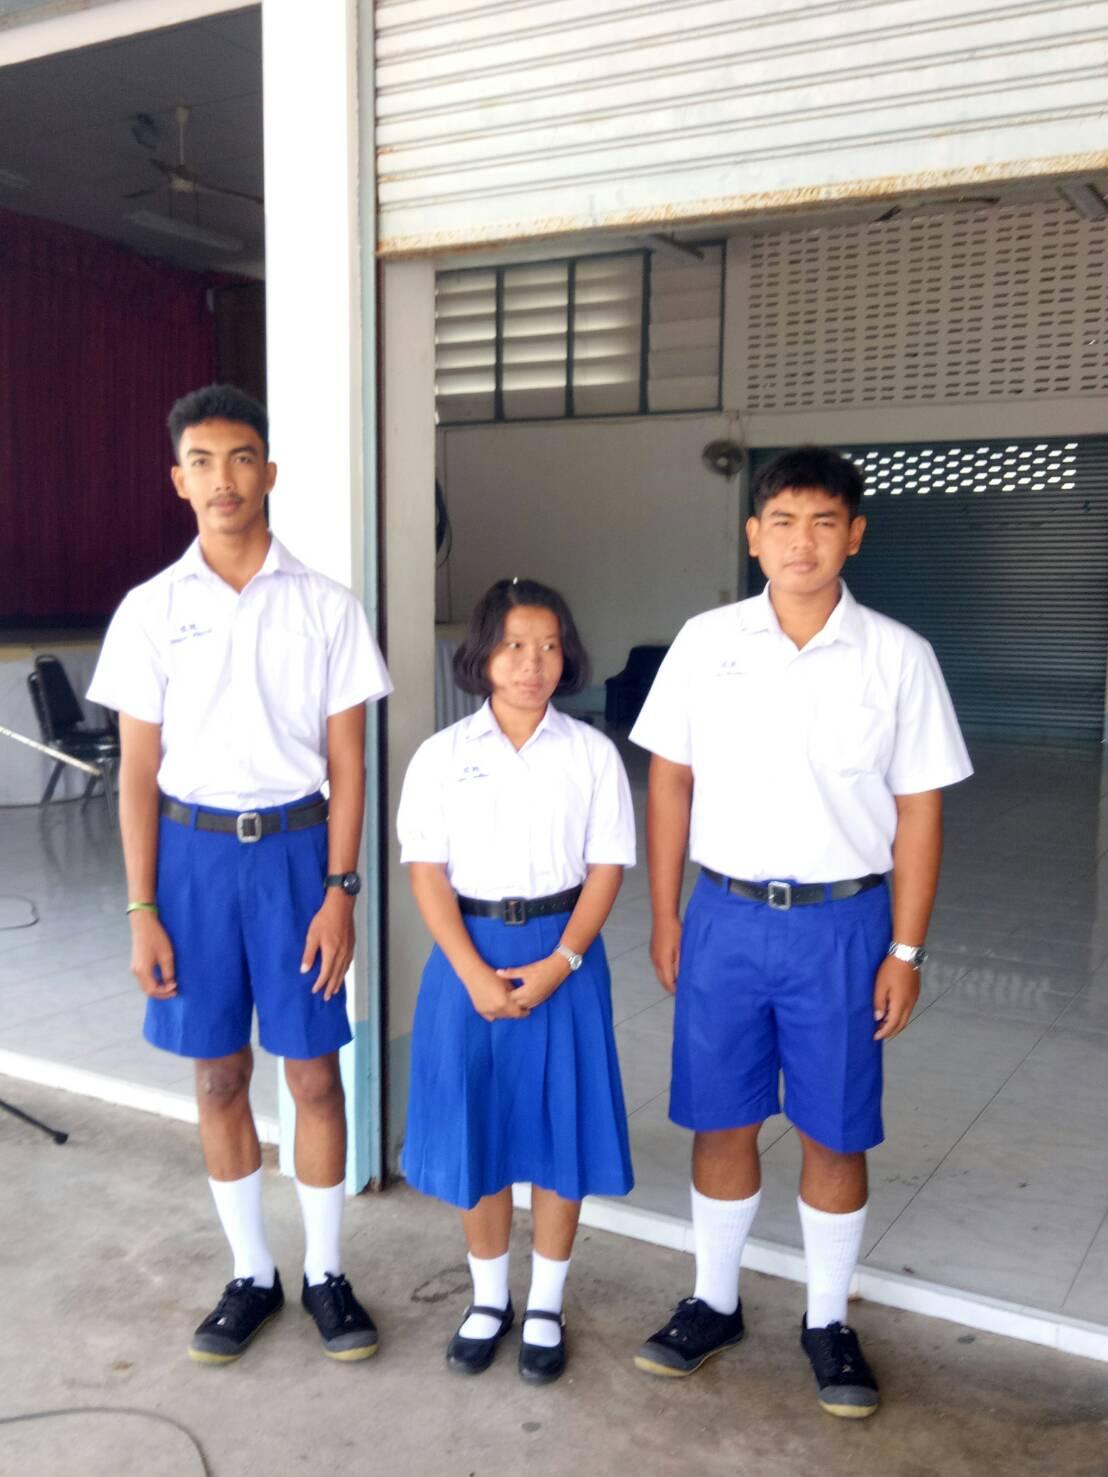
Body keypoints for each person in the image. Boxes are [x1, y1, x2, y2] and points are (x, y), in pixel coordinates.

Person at [628, 446, 972, 1417]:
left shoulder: (898, 656)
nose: (801, 542)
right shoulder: (706, 642)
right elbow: (670, 779)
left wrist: (905, 949)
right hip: (725, 915)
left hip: (843, 925)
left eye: (823, 522)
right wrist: (665, 912)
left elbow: (920, 809)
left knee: (833, 1125)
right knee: (720, 1115)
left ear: (853, 535)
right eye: (782, 521)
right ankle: (714, 1300)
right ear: (753, 535)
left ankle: (827, 1319)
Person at [87, 384, 392, 1365]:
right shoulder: (150, 610)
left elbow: (350, 765)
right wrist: (142, 906)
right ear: (178, 480)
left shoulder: (328, 606)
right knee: (218, 1071)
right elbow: (138, 771)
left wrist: (341, 890)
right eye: (203, 462)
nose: (224, 479)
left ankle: (326, 1272)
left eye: (242, 457)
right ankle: (252, 1271)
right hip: (192, 863)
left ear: (270, 472)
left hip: (299, 856)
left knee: (313, 1075)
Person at [397, 578, 635, 1384]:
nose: (533, 664)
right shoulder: (442, 755)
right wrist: (472, 972)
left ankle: (546, 1305)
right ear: (483, 655)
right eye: (514, 646)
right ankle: (489, 1298)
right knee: (480, 1126)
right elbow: (426, 871)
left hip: (563, 952)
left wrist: (562, 960)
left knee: (562, 1129)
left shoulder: (592, 753)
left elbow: (607, 866)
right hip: (467, 953)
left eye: (549, 646)